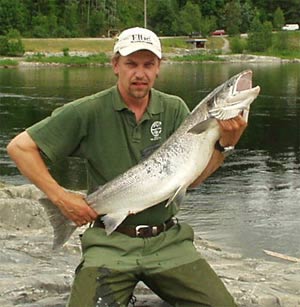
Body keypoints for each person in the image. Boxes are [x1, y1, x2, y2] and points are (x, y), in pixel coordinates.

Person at [7, 27, 246, 307]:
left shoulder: (175, 109)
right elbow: (20, 148)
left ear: (158, 68)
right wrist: (62, 199)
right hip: (110, 242)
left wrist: (225, 144)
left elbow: (192, 180)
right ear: (115, 65)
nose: (140, 73)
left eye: (148, 65)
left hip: (168, 240)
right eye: (131, 64)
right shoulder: (89, 111)